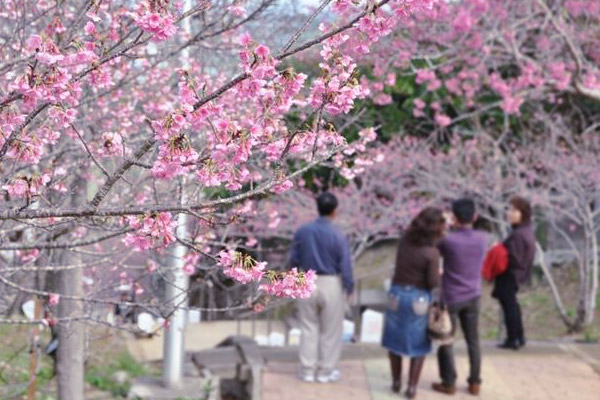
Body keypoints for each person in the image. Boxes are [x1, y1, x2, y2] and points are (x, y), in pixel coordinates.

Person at [290, 192, 354, 383]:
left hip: (306, 279)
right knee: (330, 330)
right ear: (334, 210)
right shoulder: (338, 233)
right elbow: (345, 264)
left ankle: (307, 370)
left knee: (308, 327)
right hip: (331, 282)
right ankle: (325, 371)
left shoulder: (303, 231)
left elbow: (293, 259)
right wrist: (349, 286)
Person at [381, 207, 445, 399]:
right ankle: (412, 387)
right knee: (419, 344)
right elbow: (433, 282)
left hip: (396, 295)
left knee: (394, 340)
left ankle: (395, 382)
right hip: (418, 298)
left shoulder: (404, 242)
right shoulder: (431, 253)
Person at [432, 198, 488, 396]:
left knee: (446, 338)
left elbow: (433, 247)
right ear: (474, 216)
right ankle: (475, 382)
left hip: (451, 296)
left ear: (454, 218)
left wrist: (445, 224)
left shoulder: (448, 241)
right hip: (473, 294)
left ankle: (449, 381)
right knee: (473, 340)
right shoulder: (483, 239)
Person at [493, 196, 536, 350]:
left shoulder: (519, 234)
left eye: (514, 210)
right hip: (517, 275)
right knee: (512, 305)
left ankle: (513, 338)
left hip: (510, 275)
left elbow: (515, 258)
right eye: (509, 210)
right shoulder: (525, 231)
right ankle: (518, 336)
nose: (509, 213)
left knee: (509, 306)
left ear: (523, 213)